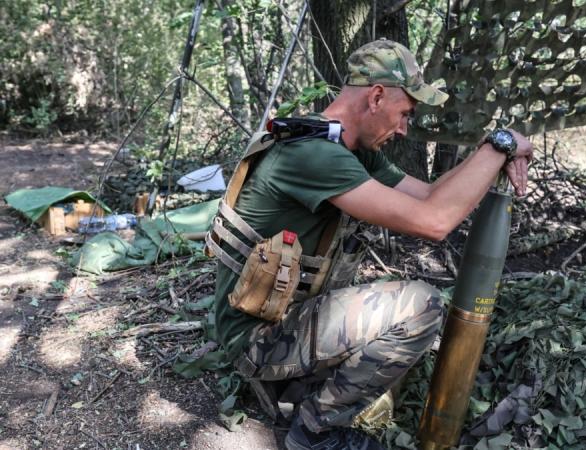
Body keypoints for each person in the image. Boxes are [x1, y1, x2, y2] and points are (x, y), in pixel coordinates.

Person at [212, 38, 533, 450]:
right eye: (405, 114)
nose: (403, 129)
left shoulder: (345, 148)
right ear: (377, 96)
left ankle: (302, 392)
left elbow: (430, 194)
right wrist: (501, 144)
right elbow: (435, 222)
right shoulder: (312, 155)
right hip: (256, 338)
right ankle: (315, 432)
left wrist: (494, 152)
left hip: (279, 316)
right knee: (421, 306)